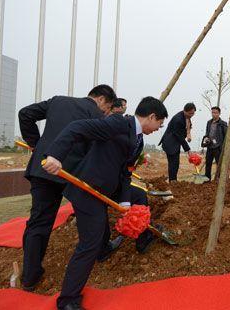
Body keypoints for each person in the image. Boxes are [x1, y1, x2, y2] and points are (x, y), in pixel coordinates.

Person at [42, 96, 167, 310]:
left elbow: (126, 173)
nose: (159, 128)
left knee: (138, 196)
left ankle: (142, 236)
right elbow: (77, 128)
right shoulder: (119, 123)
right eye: (159, 124)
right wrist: (55, 155)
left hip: (109, 185)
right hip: (88, 190)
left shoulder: (138, 139)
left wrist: (126, 201)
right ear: (152, 117)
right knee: (90, 242)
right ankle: (67, 300)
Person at [17, 84, 116, 292]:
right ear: (101, 100)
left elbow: (25, 114)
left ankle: (30, 277)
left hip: (44, 167)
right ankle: (101, 249)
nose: (105, 113)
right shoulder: (96, 114)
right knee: (93, 210)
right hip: (73, 174)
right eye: (107, 108)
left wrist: (37, 145)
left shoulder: (58, 101)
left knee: (39, 222)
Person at [158, 103, 196, 181]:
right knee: (173, 164)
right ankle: (172, 181)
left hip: (175, 143)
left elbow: (187, 127)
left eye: (193, 113)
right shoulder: (178, 119)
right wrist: (188, 150)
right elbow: (179, 136)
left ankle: (173, 181)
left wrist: (188, 134)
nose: (191, 115)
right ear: (184, 111)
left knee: (175, 164)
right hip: (170, 143)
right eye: (190, 113)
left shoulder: (186, 117)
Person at [201, 106, 228, 180]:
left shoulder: (223, 124)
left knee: (219, 164)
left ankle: (218, 179)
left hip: (218, 147)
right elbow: (207, 133)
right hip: (210, 146)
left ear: (219, 113)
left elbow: (226, 136)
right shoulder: (209, 122)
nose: (214, 114)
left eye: (216, 113)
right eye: (212, 112)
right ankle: (207, 179)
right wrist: (206, 140)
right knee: (208, 164)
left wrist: (224, 147)